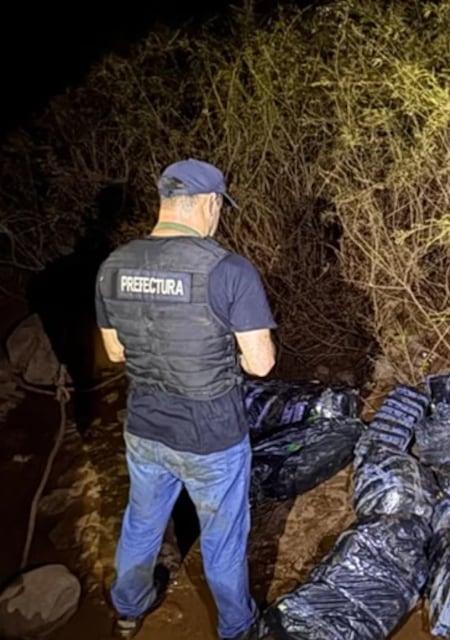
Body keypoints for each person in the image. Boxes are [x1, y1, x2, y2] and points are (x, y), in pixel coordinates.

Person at [95, 158, 277, 639]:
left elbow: (115, 352)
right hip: (211, 435)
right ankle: (237, 627)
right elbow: (261, 363)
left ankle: (129, 609)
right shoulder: (229, 270)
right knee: (222, 540)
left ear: (166, 202)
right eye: (220, 207)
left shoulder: (114, 265)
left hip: (146, 428)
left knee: (141, 523)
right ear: (209, 203)